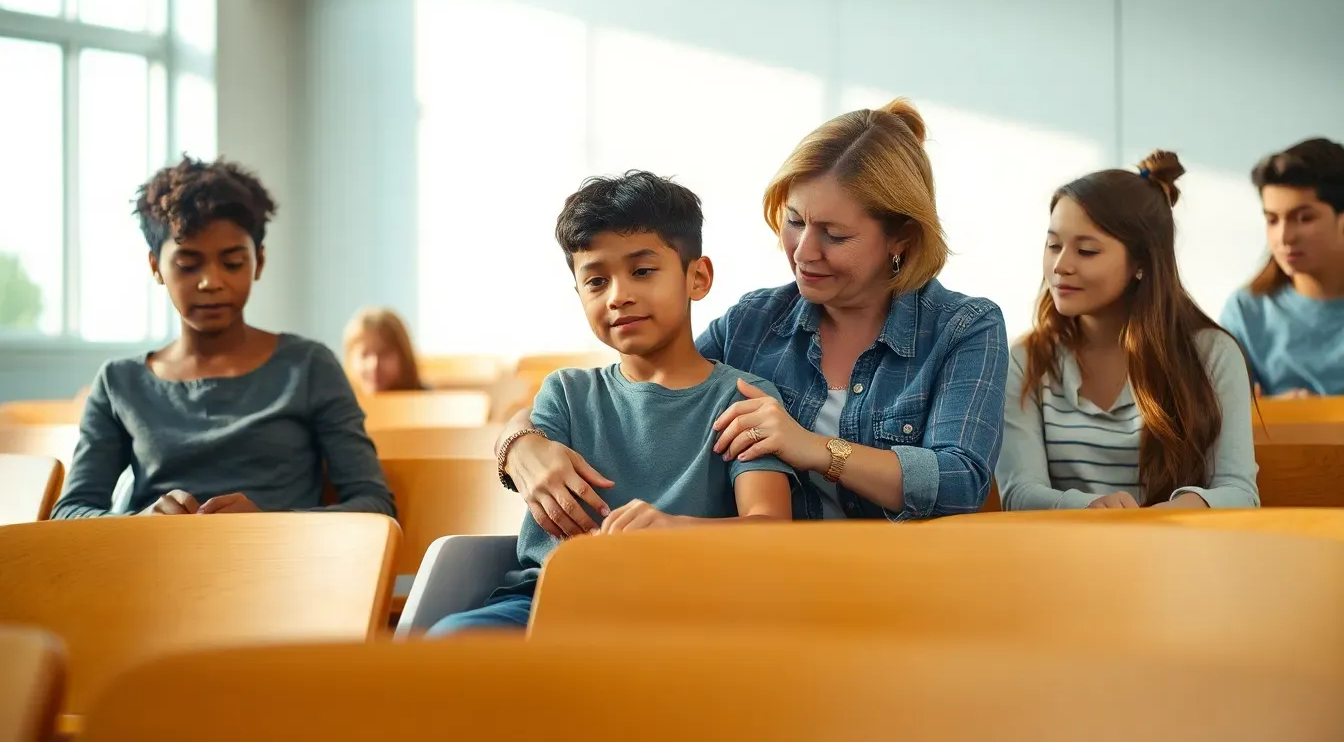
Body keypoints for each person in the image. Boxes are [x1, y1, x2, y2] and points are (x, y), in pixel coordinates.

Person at [495, 98, 1009, 533]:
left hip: (906, 590)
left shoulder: (965, 327)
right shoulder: (756, 322)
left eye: (835, 235)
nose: (804, 252)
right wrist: (520, 444)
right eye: (794, 221)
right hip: (772, 591)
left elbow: (960, 482)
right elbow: (645, 386)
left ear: (902, 238)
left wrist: (813, 448)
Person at [427, 171, 794, 634]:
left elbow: (771, 528)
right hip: (549, 603)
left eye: (642, 271)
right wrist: (519, 444)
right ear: (579, 294)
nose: (619, 296)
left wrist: (677, 531)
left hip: (687, 611)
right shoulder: (565, 392)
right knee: (452, 639)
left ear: (697, 277)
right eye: (597, 281)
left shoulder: (742, 397)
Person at [52, 156, 396, 519]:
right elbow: (70, 512)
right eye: (188, 264)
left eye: (232, 263)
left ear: (258, 262)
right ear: (156, 267)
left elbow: (374, 506)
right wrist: (137, 526)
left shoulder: (309, 366)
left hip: (281, 571)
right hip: (151, 570)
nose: (211, 282)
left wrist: (269, 525)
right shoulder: (119, 383)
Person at [995, 151, 1259, 510]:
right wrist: (1090, 510)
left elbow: (1239, 492)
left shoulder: (1212, 354)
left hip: (1178, 553)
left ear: (1141, 263)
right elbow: (1020, 492)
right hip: (1065, 557)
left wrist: (1161, 519)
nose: (1061, 266)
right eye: (1054, 245)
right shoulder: (1027, 360)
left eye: (1086, 251)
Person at [1220, 138, 1344, 398]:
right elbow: (1217, 416)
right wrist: (1277, 411)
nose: (1284, 237)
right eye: (1272, 220)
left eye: (1304, 218)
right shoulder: (1245, 313)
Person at [343, 306, 426, 395]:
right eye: (365, 354)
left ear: (403, 356)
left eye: (384, 354)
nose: (374, 364)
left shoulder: (427, 401)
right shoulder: (341, 403)